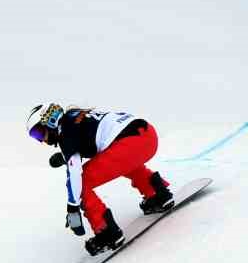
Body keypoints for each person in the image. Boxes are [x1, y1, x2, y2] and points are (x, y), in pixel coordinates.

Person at [25, 102, 174, 255]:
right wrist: (66, 156)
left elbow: (75, 173)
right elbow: (93, 137)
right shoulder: (75, 116)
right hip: (147, 135)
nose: (41, 139)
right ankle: (157, 193)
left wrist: (73, 207)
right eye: (36, 136)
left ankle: (107, 232)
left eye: (38, 133)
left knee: (81, 182)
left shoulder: (66, 132)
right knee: (117, 161)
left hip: (129, 144)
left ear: (49, 120)